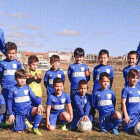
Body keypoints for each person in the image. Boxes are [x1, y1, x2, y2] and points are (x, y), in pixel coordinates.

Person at [7, 69, 44, 136]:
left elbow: (34, 98)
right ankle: (23, 123)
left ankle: (35, 128)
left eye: (24, 78)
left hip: (28, 110)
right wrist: (11, 114)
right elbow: (9, 101)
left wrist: (40, 104)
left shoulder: (27, 88)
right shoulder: (12, 89)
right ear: (15, 78)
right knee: (19, 131)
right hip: (19, 112)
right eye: (20, 78)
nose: (22, 80)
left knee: (39, 110)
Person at [0, 42, 22, 127]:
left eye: (13, 53)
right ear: (5, 53)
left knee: (15, 104)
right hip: (5, 88)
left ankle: (15, 120)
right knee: (4, 104)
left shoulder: (17, 63)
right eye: (9, 53)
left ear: (15, 53)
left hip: (15, 88)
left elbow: (21, 75)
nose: (11, 55)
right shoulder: (2, 63)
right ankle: (3, 120)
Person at [121, 69, 140, 134]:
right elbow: (123, 103)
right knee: (129, 131)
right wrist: (126, 116)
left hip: (137, 115)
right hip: (130, 116)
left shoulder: (138, 89)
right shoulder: (126, 89)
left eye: (137, 78)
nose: (135, 80)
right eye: (133, 78)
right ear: (128, 78)